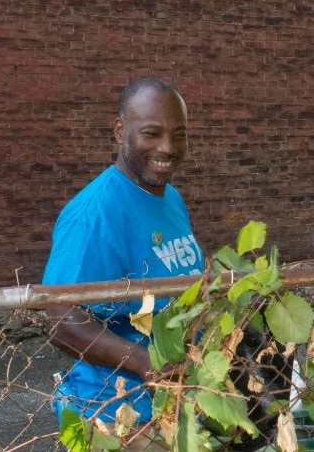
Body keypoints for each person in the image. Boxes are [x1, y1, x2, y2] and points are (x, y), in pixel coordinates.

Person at [43, 77, 206, 451]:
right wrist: (152, 366)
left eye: (178, 134)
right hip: (116, 413)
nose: (168, 147)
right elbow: (60, 319)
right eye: (152, 133)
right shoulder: (94, 215)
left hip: (176, 402)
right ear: (120, 131)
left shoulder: (170, 199)